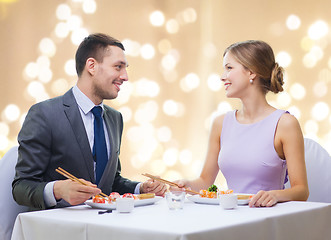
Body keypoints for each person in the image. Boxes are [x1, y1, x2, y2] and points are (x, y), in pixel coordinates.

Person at [12, 33, 166, 210]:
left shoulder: (115, 118)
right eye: (118, 67)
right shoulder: (44, 114)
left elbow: (110, 182)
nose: (125, 77)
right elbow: (21, 187)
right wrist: (58, 190)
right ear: (91, 66)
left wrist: (139, 188)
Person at [173, 40, 309, 207]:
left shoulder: (285, 124)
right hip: (230, 217)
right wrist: (186, 185)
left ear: (251, 72)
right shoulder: (220, 123)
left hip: (267, 219)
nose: (222, 76)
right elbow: (205, 181)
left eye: (229, 68)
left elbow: (301, 191)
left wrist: (275, 195)